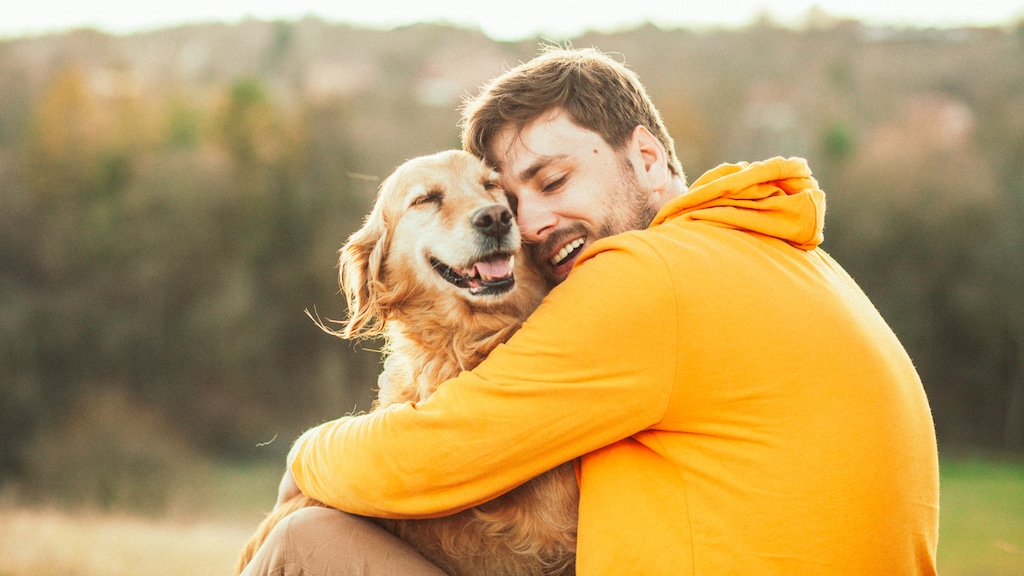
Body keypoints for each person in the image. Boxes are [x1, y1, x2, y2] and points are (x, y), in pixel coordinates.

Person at [244, 47, 940, 575]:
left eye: (553, 180)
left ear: (648, 157)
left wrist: (307, 456)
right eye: (515, 199)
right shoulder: (781, 255)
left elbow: (435, 454)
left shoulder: (648, 276)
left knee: (303, 543)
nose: (528, 223)